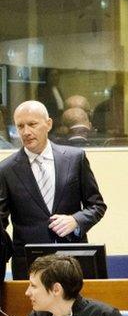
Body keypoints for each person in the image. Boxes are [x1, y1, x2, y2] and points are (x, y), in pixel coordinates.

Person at [0, 101, 107, 279]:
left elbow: (97, 205)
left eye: (32, 124)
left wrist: (76, 220)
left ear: (48, 124)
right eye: (20, 126)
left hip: (72, 259)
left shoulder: (75, 159)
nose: (26, 132)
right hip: (28, 265)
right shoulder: (6, 170)